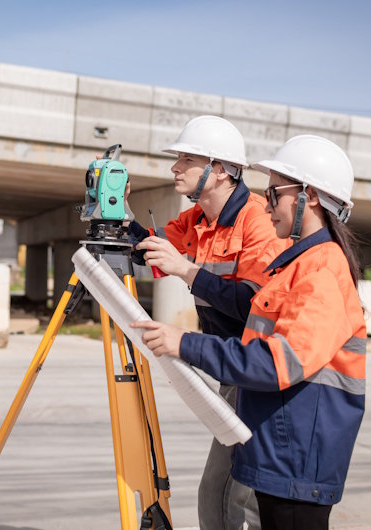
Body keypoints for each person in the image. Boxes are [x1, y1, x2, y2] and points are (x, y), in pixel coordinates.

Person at [132, 134, 366, 530]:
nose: (266, 202)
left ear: (308, 197)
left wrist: (185, 342)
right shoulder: (296, 264)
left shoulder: (320, 271)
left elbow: (279, 362)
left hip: (296, 454)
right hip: (276, 437)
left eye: (274, 193)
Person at [127, 115, 288, 530]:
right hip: (231, 367)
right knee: (221, 496)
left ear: (219, 170)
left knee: (231, 499)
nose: (174, 167)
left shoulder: (258, 220)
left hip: (259, 371)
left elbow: (254, 304)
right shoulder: (197, 219)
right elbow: (150, 247)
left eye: (186, 158)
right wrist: (118, 212)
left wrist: (187, 271)